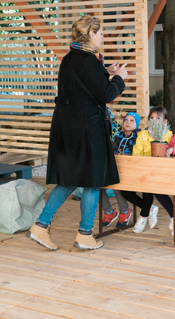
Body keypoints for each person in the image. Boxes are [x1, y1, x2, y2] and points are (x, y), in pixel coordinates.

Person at [26, 15, 127, 251]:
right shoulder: (88, 61)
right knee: (92, 181)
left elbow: (84, 87)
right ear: (91, 34)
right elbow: (104, 95)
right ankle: (84, 235)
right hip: (87, 130)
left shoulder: (70, 59)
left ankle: (40, 226)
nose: (103, 36)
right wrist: (119, 79)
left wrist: (105, 71)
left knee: (69, 180)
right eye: (101, 32)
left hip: (67, 129)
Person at [101, 112, 142, 229]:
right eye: (126, 120)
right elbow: (112, 120)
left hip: (129, 171)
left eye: (132, 121)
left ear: (137, 124)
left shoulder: (139, 136)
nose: (128, 122)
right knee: (98, 186)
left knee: (116, 185)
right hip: (115, 167)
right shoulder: (117, 134)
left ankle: (125, 212)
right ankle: (109, 212)